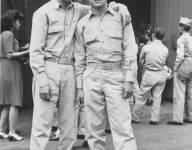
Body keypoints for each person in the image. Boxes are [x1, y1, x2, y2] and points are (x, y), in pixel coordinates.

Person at [29, 0, 131, 149]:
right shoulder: (42, 13)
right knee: (42, 125)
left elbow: (101, 7)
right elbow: (35, 50)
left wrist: (122, 7)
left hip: (70, 69)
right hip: (48, 68)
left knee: (69, 127)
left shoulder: (79, 9)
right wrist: (42, 80)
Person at [74, 0, 138, 149]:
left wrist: (129, 79)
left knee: (123, 130)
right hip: (91, 77)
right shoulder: (82, 24)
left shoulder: (121, 16)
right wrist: (79, 88)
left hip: (116, 75)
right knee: (93, 133)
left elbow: (130, 49)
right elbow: (79, 58)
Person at [0, 10, 29, 141]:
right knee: (15, 102)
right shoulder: (8, 34)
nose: (20, 24)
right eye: (18, 21)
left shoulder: (5, 34)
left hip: (7, 68)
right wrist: (28, 51)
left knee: (7, 103)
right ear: (12, 22)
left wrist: (22, 50)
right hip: (10, 69)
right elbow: (10, 54)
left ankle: (1, 130)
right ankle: (12, 132)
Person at [132, 27, 168, 125]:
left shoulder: (147, 47)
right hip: (161, 73)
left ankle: (136, 117)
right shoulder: (165, 49)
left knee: (142, 96)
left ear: (153, 36)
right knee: (157, 97)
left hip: (150, 73)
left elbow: (140, 60)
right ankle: (154, 119)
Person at [167, 17, 192, 125]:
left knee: (179, 93)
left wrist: (176, 67)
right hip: (191, 70)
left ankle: (177, 119)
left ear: (181, 27)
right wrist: (190, 65)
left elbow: (180, 57)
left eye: (179, 26)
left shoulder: (181, 39)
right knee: (190, 94)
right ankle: (191, 117)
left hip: (181, 68)